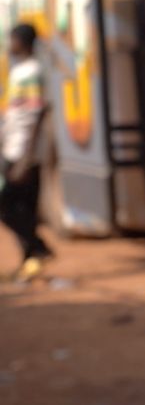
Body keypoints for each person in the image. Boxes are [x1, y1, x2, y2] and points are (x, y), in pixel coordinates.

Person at [1, 23, 53, 282]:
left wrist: (26, 157)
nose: (9, 44)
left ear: (22, 41)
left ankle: (38, 248)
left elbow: (36, 113)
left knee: (9, 204)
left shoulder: (31, 71)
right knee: (23, 208)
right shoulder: (19, 71)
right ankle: (29, 260)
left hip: (23, 151)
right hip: (14, 147)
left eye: (12, 39)